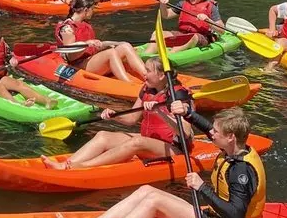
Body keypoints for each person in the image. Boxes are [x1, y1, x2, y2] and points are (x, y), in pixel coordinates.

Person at [57, 108, 266, 218]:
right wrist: (187, 113)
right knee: (146, 190)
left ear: (230, 137)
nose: (210, 133)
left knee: (154, 201)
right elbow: (207, 127)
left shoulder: (241, 171)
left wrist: (202, 188)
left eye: (216, 132)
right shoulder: (232, 148)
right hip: (216, 217)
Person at [44, 57, 211, 170]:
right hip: (150, 142)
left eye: (148, 70)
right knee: (103, 135)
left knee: (137, 141)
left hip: (175, 149)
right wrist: (115, 114)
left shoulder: (179, 96)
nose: (143, 73)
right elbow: (131, 119)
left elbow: (186, 132)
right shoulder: (147, 88)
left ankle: (84, 167)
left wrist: (159, 111)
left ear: (161, 75)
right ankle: (67, 164)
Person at [56, 0, 151, 82]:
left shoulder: (84, 24)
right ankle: (128, 83)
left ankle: (147, 76)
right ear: (86, 10)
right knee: (111, 53)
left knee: (125, 46)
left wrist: (117, 43)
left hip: (89, 59)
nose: (93, 12)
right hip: (77, 65)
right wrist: (87, 43)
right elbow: (70, 53)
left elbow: (97, 46)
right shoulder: (67, 28)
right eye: (92, 9)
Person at [144, 0, 221, 55]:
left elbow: (221, 30)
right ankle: (146, 55)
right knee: (157, 33)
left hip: (201, 37)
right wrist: (163, 5)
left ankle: (170, 55)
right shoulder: (182, 4)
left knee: (191, 37)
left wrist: (208, 20)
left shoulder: (211, 7)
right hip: (182, 34)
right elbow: (166, 15)